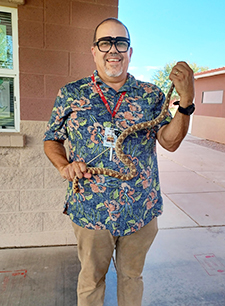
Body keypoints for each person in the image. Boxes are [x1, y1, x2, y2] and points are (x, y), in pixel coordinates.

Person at [44, 17, 194, 306]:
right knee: (91, 280)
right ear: (93, 51)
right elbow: (51, 138)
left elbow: (170, 142)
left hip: (141, 209)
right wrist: (64, 165)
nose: (113, 49)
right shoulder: (71, 94)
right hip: (91, 209)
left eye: (120, 42)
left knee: (131, 278)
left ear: (130, 52)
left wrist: (186, 103)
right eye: (105, 42)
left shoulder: (151, 95)